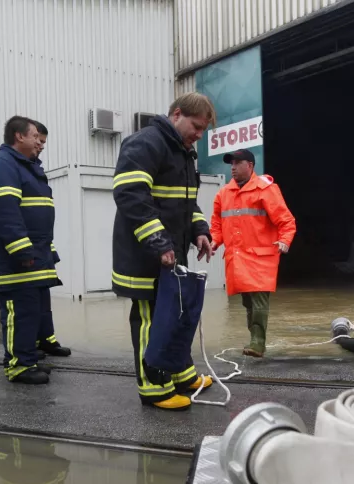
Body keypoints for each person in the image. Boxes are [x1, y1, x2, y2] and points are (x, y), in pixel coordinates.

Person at [111, 93, 217, 412]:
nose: (199, 135)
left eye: (203, 131)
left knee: (175, 314)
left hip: (170, 253)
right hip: (145, 255)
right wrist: (158, 241)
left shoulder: (183, 152)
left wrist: (200, 231)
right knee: (149, 319)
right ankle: (154, 388)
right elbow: (130, 194)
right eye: (196, 127)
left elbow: (187, 202)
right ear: (176, 114)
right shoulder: (146, 143)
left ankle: (180, 373)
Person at [0, 116, 64, 385]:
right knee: (19, 311)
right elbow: (4, 214)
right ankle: (18, 365)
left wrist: (47, 253)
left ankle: (28, 358)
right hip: (16, 260)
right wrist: (22, 252)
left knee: (31, 312)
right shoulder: (1, 166)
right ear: (19, 136)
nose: (40, 142)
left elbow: (39, 219)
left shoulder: (26, 167)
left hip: (33, 257)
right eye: (35, 136)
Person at [210, 149, 297, 358]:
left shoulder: (266, 190)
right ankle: (255, 339)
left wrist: (285, 241)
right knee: (248, 302)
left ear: (250, 165)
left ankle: (257, 342)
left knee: (259, 301)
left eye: (237, 163)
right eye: (231, 163)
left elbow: (286, 221)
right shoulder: (223, 194)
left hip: (260, 258)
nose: (232, 167)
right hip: (237, 259)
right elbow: (217, 223)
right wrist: (214, 241)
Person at [29, 121, 71, 359]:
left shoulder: (36, 169)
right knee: (30, 300)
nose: (41, 145)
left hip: (43, 248)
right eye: (39, 140)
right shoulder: (10, 167)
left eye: (44, 142)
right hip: (28, 250)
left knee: (44, 297)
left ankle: (47, 339)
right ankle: (30, 345)